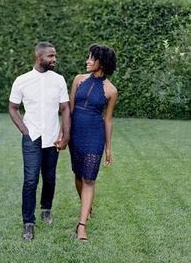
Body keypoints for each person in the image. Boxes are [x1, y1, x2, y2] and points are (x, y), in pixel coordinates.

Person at [9, 41, 71, 240]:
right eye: (50, 56)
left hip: (53, 137)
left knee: (50, 177)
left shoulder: (59, 80)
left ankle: (46, 208)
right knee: (30, 180)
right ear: (38, 57)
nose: (54, 59)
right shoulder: (22, 80)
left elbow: (65, 109)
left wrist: (65, 136)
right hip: (32, 138)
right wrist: (25, 130)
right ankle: (28, 223)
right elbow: (12, 108)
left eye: (55, 56)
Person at [69, 43, 117, 241]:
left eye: (91, 58)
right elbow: (69, 110)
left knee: (89, 178)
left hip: (94, 136)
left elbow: (108, 119)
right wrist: (64, 135)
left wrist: (108, 148)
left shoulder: (111, 90)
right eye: (88, 57)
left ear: (102, 63)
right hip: (76, 134)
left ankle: (81, 226)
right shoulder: (78, 80)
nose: (87, 61)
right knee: (79, 176)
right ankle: (86, 206)